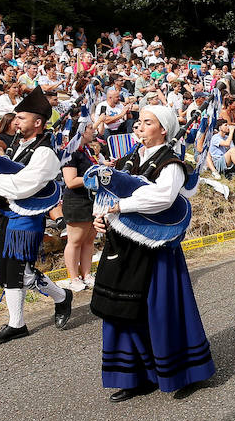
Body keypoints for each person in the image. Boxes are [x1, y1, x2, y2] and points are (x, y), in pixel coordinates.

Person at [90, 105, 215, 400]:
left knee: (159, 310)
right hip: (121, 244)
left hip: (156, 249)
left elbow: (162, 197)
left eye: (148, 122)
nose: (140, 127)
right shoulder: (127, 160)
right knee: (119, 308)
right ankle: (135, 375)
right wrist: (100, 216)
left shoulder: (170, 164)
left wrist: (122, 206)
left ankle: (181, 371)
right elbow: (106, 192)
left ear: (163, 130)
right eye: (139, 122)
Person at [0, 86, 73, 346]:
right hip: (10, 213)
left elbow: (25, 185)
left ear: (38, 122)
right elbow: (9, 178)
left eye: (21, 117)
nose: (15, 121)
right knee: (10, 270)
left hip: (27, 218)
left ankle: (61, 297)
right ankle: (16, 323)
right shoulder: (20, 147)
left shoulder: (45, 153)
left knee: (25, 272)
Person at [59, 123, 100, 293]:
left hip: (90, 199)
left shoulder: (87, 151)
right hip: (77, 201)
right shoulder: (70, 152)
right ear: (82, 132)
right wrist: (95, 177)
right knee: (75, 241)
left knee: (89, 240)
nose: (94, 131)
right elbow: (70, 181)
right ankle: (73, 277)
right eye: (91, 129)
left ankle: (86, 273)